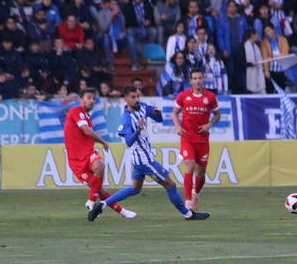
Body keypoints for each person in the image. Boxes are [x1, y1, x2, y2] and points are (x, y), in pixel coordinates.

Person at [88, 86, 209, 221]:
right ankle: (188, 214)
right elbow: (128, 141)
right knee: (170, 185)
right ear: (126, 99)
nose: (137, 99)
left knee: (135, 188)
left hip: (140, 160)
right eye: (133, 97)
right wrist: (138, 130)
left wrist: (158, 113)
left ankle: (102, 204)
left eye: (138, 96)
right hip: (144, 160)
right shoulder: (126, 118)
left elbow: (158, 119)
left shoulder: (143, 107)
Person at [63, 89, 136, 220]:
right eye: (88, 98)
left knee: (99, 165)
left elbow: (86, 131)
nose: (91, 101)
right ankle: (122, 211)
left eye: (93, 99)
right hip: (76, 161)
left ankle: (91, 201)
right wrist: (103, 142)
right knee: (99, 190)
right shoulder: (76, 111)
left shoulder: (87, 117)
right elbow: (86, 131)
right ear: (81, 100)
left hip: (88, 153)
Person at [174, 70, 221, 211]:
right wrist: (177, 126)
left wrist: (209, 124)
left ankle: (196, 193)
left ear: (203, 79)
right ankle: (188, 200)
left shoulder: (210, 97)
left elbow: (217, 114)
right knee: (190, 166)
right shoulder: (183, 96)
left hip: (202, 139)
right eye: (195, 78)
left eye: (200, 78)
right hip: (187, 137)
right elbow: (175, 113)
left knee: (201, 174)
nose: (198, 81)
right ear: (191, 81)